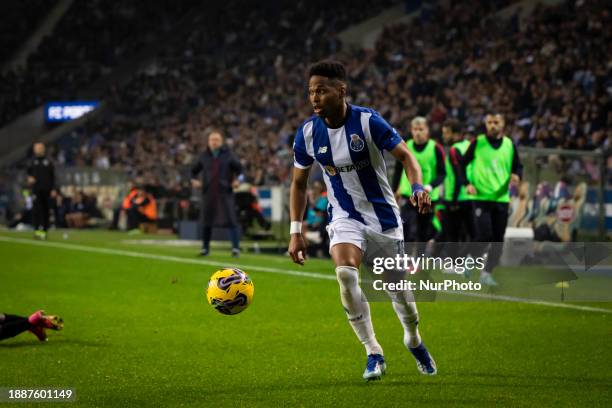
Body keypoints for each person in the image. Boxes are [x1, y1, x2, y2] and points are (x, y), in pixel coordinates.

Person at [288, 60, 435, 381]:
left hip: (383, 219)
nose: (314, 98)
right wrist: (295, 232)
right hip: (343, 218)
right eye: (311, 91)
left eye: (321, 91)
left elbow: (407, 157)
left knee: (398, 292)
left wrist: (418, 186)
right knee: (345, 274)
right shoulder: (309, 133)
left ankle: (413, 339)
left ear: (341, 91)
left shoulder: (368, 122)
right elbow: (298, 184)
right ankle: (373, 352)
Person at [459, 113, 523, 286]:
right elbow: (461, 163)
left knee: (498, 239)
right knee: (484, 234)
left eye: (496, 122)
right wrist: (466, 183)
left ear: (503, 124)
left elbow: (518, 165)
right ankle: (470, 260)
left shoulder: (510, 144)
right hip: (481, 197)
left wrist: (517, 175)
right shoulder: (478, 143)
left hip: (501, 198)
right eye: (489, 122)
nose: (493, 125)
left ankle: (486, 273)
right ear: (485, 124)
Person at [393, 117, 445, 254]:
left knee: (423, 231)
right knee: (406, 227)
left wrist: (430, 186)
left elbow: (442, 174)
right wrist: (394, 190)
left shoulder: (436, 148)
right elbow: (398, 170)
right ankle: (404, 258)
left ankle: (419, 260)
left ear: (427, 131)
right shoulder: (405, 146)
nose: (417, 133)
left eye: (421, 129)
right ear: (411, 130)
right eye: (415, 129)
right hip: (407, 195)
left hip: (427, 197)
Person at [191, 130, 243, 257]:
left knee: (231, 220)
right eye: (212, 140)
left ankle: (236, 248)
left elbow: (240, 170)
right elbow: (193, 171)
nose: (214, 142)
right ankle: (205, 248)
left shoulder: (228, 155)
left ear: (221, 141)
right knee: (206, 221)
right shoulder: (203, 156)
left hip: (225, 192)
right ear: (208, 142)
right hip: (208, 193)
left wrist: (237, 180)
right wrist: (194, 181)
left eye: (217, 140)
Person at [27, 142, 55, 240]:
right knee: (36, 210)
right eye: (36, 148)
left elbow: (53, 176)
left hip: (47, 190)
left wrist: (53, 189)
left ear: (43, 149)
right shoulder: (32, 161)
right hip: (36, 190)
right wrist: (29, 178)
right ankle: (36, 230)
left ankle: (44, 231)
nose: (38, 149)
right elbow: (28, 174)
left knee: (45, 210)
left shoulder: (49, 161)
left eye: (40, 147)